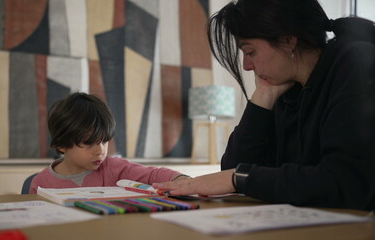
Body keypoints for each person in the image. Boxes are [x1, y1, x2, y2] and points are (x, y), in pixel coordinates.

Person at [154, 0, 375, 210]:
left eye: (250, 52)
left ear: (289, 40)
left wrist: (238, 178)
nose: (246, 65)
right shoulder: (286, 88)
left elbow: (346, 184)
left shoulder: (354, 62)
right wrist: (262, 100)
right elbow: (233, 168)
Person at [29, 92, 190, 194]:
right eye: (89, 143)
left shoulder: (114, 168)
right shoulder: (40, 184)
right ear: (62, 145)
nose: (100, 151)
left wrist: (181, 179)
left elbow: (153, 174)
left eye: (104, 141)